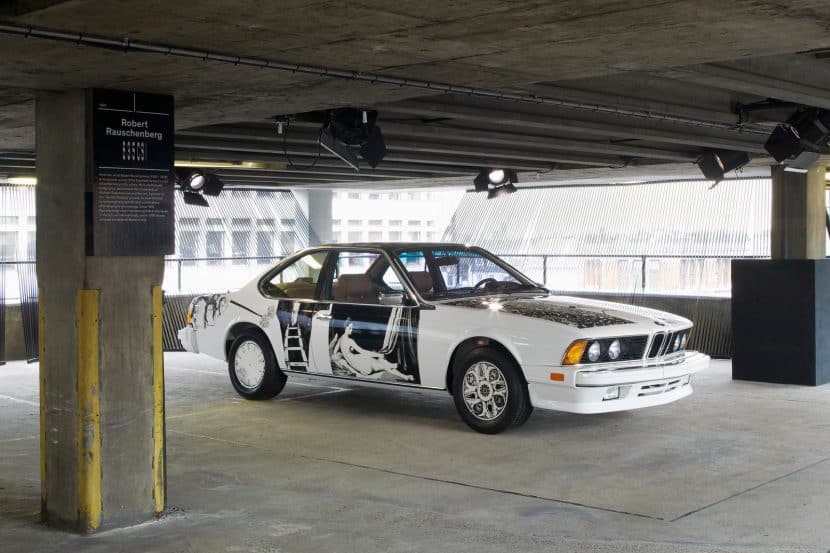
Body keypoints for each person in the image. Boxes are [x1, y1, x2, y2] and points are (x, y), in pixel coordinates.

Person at [330, 319, 413, 382]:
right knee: (381, 362)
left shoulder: (341, 339)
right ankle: (395, 368)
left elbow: (334, 352)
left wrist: (342, 356)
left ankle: (403, 375)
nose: (352, 329)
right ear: (345, 328)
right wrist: (377, 355)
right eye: (350, 328)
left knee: (380, 361)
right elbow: (362, 351)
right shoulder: (350, 341)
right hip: (362, 365)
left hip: (358, 366)